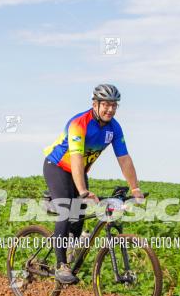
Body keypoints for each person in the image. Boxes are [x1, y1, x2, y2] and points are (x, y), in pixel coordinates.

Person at [43, 83, 143, 284]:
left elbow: (124, 158)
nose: (110, 109)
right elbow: (77, 158)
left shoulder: (114, 128)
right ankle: (61, 265)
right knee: (67, 209)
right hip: (58, 166)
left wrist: (135, 188)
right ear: (95, 104)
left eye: (114, 105)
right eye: (105, 104)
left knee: (78, 217)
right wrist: (82, 190)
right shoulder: (79, 123)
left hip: (78, 171)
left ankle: (70, 249)